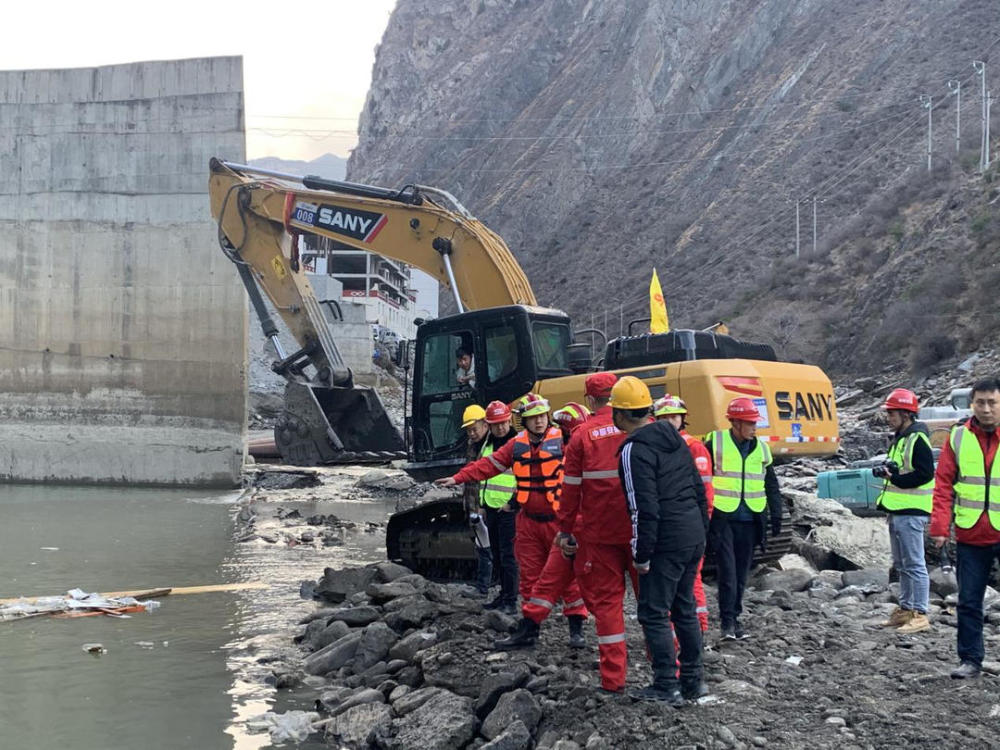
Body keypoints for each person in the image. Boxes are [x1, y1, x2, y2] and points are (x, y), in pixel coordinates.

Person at [436, 393, 587, 641]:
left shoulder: (563, 440)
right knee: (528, 577)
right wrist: (458, 477)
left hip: (558, 520)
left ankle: (576, 628)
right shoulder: (516, 445)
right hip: (528, 520)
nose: (539, 422)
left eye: (541, 417)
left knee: (569, 577)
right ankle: (530, 628)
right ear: (524, 421)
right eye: (533, 418)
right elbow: (489, 465)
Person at [616, 376, 709, 705]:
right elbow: (698, 491)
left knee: (654, 612)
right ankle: (693, 681)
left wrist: (641, 554)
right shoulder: (676, 439)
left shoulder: (633, 450)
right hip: (691, 536)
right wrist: (700, 533)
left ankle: (666, 684)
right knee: (683, 607)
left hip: (666, 541)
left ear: (620, 414)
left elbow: (642, 507)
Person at [551, 372, 642, 691]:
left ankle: (613, 680)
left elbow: (570, 492)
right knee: (656, 603)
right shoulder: (644, 427)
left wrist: (565, 531)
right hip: (640, 531)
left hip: (599, 534)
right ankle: (668, 672)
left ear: (590, 400)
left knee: (607, 607)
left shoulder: (581, 436)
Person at [930, 377, 1000, 679]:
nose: (986, 409)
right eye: (980, 402)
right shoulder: (957, 437)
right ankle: (971, 660)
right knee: (969, 601)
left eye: (992, 403)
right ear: (972, 404)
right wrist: (940, 526)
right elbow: (943, 485)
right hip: (971, 535)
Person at [704, 397, 782, 641]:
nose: (754, 428)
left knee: (741, 573)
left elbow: (771, 484)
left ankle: (735, 618)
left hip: (751, 519)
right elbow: (701, 479)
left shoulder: (762, 448)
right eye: (749, 423)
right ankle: (727, 621)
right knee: (727, 571)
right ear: (735, 422)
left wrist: (776, 513)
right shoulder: (714, 442)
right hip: (723, 518)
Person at [874, 388, 935, 634]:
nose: (889, 417)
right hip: (899, 510)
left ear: (906, 414)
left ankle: (920, 613)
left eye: (892, 413)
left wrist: (896, 479)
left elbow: (924, 474)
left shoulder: (917, 439)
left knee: (914, 563)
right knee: (902, 564)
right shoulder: (902, 438)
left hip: (912, 511)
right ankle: (907, 609)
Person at [654, 395, 714, 634]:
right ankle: (677, 629)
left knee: (692, 578)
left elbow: (706, 490)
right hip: (669, 524)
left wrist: (703, 523)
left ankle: (699, 628)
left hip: (690, 524)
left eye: (674, 416)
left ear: (683, 419)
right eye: (665, 417)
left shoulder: (694, 447)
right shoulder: (657, 447)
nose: (670, 421)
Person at [479, 400, 519, 612]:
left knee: (508, 556)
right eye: (496, 424)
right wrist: (482, 504)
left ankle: (511, 600)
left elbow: (525, 479)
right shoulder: (489, 444)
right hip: (492, 507)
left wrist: (512, 503)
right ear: (489, 425)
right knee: (497, 554)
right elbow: (484, 475)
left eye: (503, 423)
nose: (501, 427)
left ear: (509, 420)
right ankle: (503, 596)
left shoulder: (517, 444)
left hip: (508, 510)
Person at [460, 404, 492, 596]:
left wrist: (483, 506)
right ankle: (482, 587)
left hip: (487, 505)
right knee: (482, 546)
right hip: (475, 504)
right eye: (469, 430)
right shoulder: (473, 446)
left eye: (474, 429)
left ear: (485, 425)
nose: (471, 433)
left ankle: (484, 588)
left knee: (488, 547)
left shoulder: (491, 446)